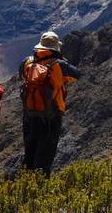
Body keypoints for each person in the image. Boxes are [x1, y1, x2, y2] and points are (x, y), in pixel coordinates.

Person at [18, 31, 79, 176]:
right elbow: (76, 75)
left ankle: (24, 187)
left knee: (29, 153)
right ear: (55, 48)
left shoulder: (27, 62)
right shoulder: (59, 65)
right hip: (51, 118)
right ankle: (39, 190)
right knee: (44, 157)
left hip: (29, 116)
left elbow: (22, 76)